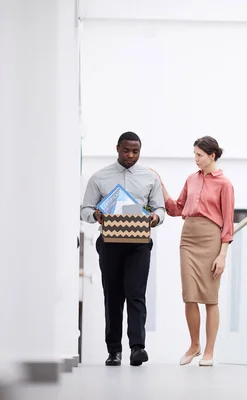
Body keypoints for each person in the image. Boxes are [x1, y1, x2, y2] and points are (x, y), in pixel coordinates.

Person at [80, 131, 165, 367]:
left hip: (138, 243)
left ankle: (137, 348)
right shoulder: (100, 177)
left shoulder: (150, 178)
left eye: (135, 151)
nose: (130, 155)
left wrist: (155, 219)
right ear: (117, 148)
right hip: (110, 243)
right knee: (113, 296)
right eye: (126, 150)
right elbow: (84, 209)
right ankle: (114, 351)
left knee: (136, 294)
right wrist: (95, 214)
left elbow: (160, 209)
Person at [153, 136, 235, 367]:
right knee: (189, 296)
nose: (195, 159)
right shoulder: (191, 179)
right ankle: (194, 344)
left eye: (199, 155)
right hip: (188, 238)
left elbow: (228, 223)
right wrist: (161, 186)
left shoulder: (225, 184)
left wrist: (222, 255)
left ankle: (209, 351)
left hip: (211, 240)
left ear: (212, 156)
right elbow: (177, 209)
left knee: (210, 298)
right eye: (194, 154)